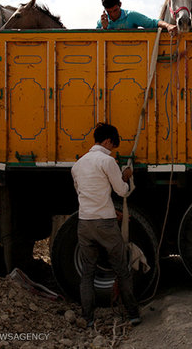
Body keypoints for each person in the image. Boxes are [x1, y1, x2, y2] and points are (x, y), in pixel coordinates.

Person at [71, 123, 141, 327]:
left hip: (84, 223)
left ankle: (88, 318)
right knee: (121, 269)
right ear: (108, 141)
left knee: (87, 272)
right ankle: (133, 313)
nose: (113, 149)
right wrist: (126, 177)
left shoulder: (78, 165)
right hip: (106, 225)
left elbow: (84, 194)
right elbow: (122, 191)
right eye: (113, 145)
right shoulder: (107, 161)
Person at [97, 0, 177, 35]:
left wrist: (168, 25)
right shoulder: (102, 21)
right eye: (109, 12)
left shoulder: (131, 16)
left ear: (120, 5)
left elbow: (153, 23)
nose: (112, 14)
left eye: (115, 10)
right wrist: (103, 28)